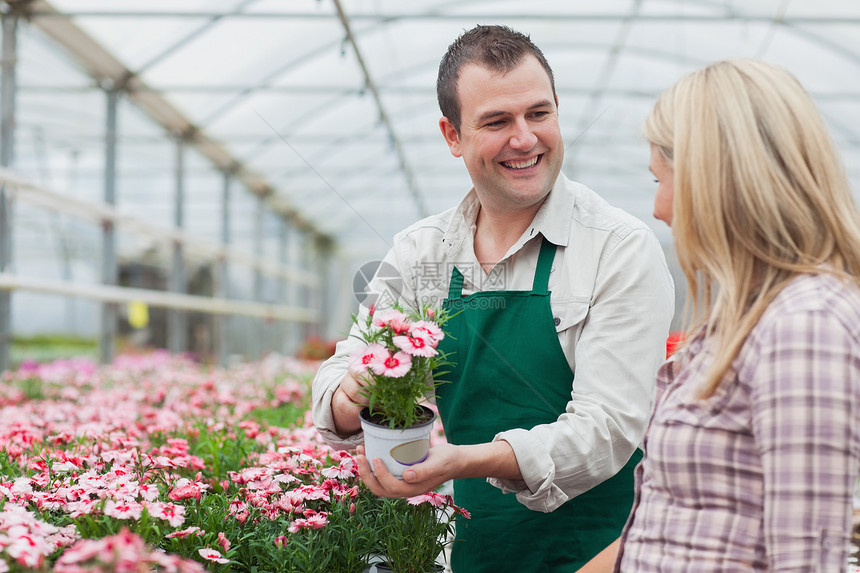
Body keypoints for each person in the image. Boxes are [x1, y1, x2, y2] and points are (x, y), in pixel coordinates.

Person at [312, 25, 675, 572]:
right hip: (475, 551)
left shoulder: (616, 248)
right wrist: (355, 391)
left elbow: (608, 429)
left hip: (601, 550)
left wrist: (463, 462)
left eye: (539, 114)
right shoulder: (423, 253)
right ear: (452, 136)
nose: (525, 138)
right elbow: (338, 382)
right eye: (497, 121)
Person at [579, 59, 860, 573]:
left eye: (662, 181)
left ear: (714, 183)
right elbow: (677, 526)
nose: (659, 208)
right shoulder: (744, 318)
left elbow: (806, 561)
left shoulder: (805, 324)